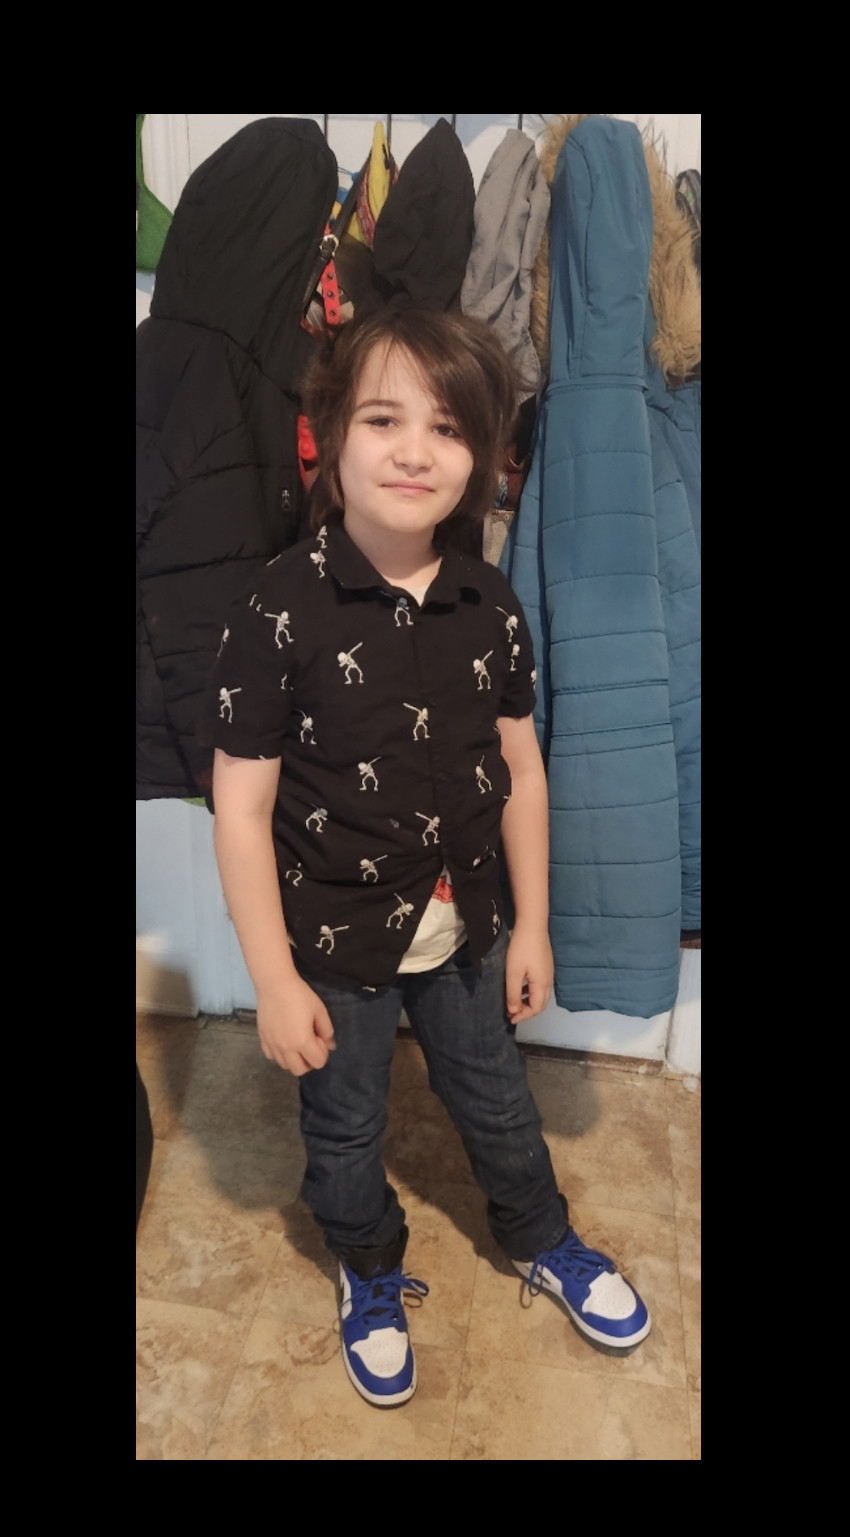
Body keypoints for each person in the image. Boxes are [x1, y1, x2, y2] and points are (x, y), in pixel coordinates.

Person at [202, 307, 650, 1408]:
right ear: (329, 434)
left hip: (466, 930)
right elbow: (241, 807)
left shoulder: (491, 604)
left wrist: (533, 924)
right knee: (345, 1128)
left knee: (496, 1100)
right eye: (383, 419)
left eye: (447, 427)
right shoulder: (276, 606)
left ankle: (541, 1235)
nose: (414, 451)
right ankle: (366, 1266)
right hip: (331, 946)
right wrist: (271, 979)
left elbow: (522, 771)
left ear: (485, 454)